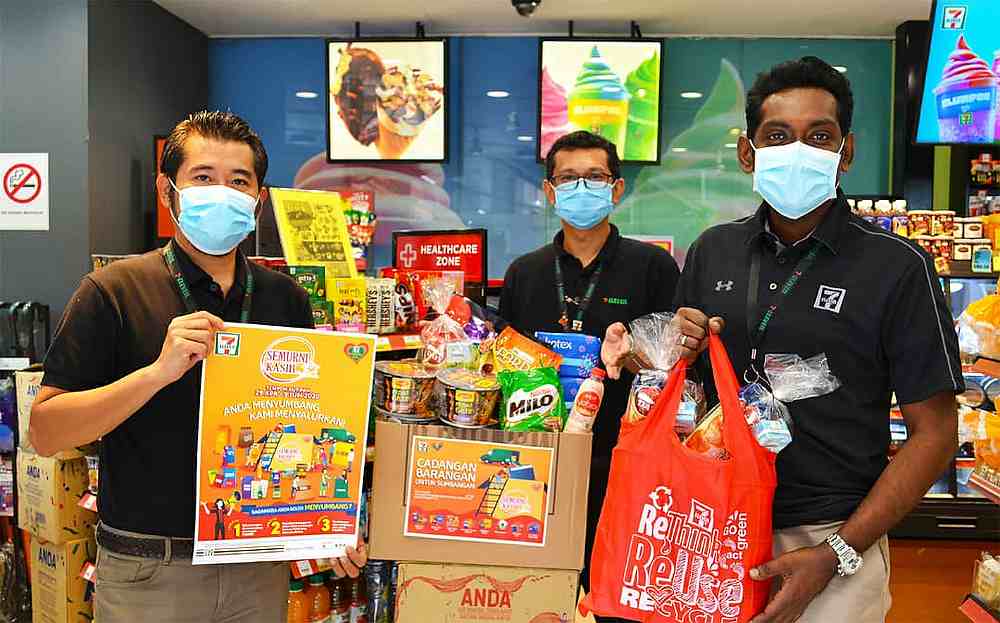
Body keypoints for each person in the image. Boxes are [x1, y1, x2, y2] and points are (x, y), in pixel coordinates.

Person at [604, 57, 962, 623]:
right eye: (777, 136)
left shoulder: (898, 266)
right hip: (707, 524)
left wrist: (835, 553)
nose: (798, 151)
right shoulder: (713, 250)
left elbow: (936, 434)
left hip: (831, 536)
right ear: (748, 154)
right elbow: (689, 391)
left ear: (846, 152)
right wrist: (656, 355)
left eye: (819, 136)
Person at [30, 111, 368, 622]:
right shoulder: (112, 292)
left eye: (239, 182)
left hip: (257, 567)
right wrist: (156, 373)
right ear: (168, 191)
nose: (222, 193)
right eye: (203, 177)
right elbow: (46, 431)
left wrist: (329, 521)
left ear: (258, 200)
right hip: (151, 571)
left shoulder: (285, 300)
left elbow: (308, 425)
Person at [498, 130, 680, 620]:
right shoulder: (525, 273)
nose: (582, 188)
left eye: (595, 177)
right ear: (550, 191)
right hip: (538, 464)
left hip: (624, 464)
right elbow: (503, 363)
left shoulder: (653, 267)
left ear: (616, 188)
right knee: (539, 595)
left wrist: (635, 355)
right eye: (568, 178)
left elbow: (677, 369)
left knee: (617, 596)